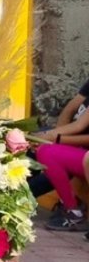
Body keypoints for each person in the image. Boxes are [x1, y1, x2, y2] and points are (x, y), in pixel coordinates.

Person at [33, 77, 89, 231]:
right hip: (78, 148)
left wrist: (55, 138)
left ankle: (73, 211)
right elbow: (71, 111)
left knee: (47, 151)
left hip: (83, 152)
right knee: (33, 143)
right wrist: (50, 136)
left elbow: (79, 126)